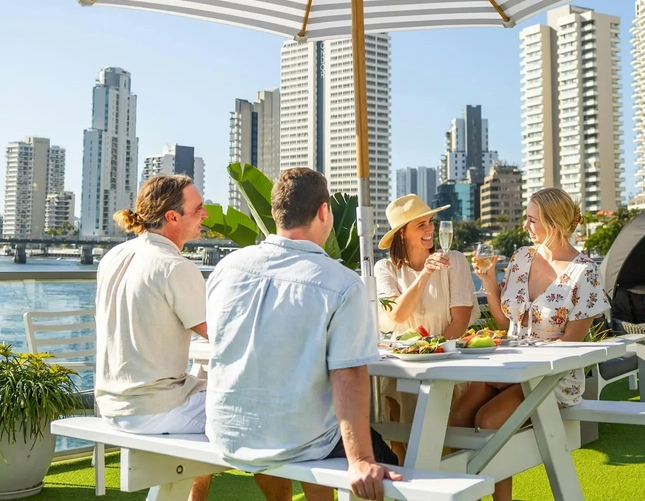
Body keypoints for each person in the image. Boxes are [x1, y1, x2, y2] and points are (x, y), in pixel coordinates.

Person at [205, 167, 400, 501]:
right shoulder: (340, 283)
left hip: (227, 434)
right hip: (298, 439)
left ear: (274, 214)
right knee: (391, 463)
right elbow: (349, 373)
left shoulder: (226, 269)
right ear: (324, 212)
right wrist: (362, 460)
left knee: (313, 419)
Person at [451, 187, 610, 501]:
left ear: (553, 224)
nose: (525, 226)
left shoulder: (585, 273)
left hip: (552, 377)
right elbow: (504, 325)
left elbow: (571, 348)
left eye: (531, 220)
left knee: (489, 420)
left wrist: (519, 370)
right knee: (456, 418)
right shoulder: (521, 258)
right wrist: (488, 284)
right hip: (508, 366)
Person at [95, 174, 212, 501]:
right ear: (172, 217)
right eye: (198, 208)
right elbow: (221, 336)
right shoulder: (174, 266)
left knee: (209, 392)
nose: (205, 215)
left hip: (112, 405)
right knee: (253, 407)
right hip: (155, 409)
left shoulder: (113, 258)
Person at [373, 195, 478, 439]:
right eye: (421, 224)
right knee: (403, 441)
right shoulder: (385, 269)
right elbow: (397, 314)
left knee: (442, 441)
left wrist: (434, 354)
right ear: (402, 234)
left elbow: (460, 320)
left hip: (447, 363)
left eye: (430, 221)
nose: (430, 228)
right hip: (404, 366)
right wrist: (425, 274)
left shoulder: (455, 261)